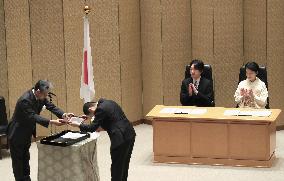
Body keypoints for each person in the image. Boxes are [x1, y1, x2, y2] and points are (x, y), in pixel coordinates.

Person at [7, 80, 73, 181]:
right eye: (45, 94)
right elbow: (33, 116)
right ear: (38, 91)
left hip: (26, 131)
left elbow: (51, 106)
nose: (46, 97)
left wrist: (63, 114)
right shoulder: (24, 100)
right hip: (17, 132)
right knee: (18, 161)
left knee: (25, 158)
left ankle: (26, 179)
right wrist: (52, 121)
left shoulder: (41, 96)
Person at [69, 98, 136, 181]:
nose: (94, 117)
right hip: (130, 134)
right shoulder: (109, 102)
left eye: (93, 115)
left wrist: (78, 125)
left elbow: (92, 128)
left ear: (91, 109)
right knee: (124, 164)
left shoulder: (100, 109)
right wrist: (89, 118)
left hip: (120, 139)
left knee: (117, 168)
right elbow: (109, 122)